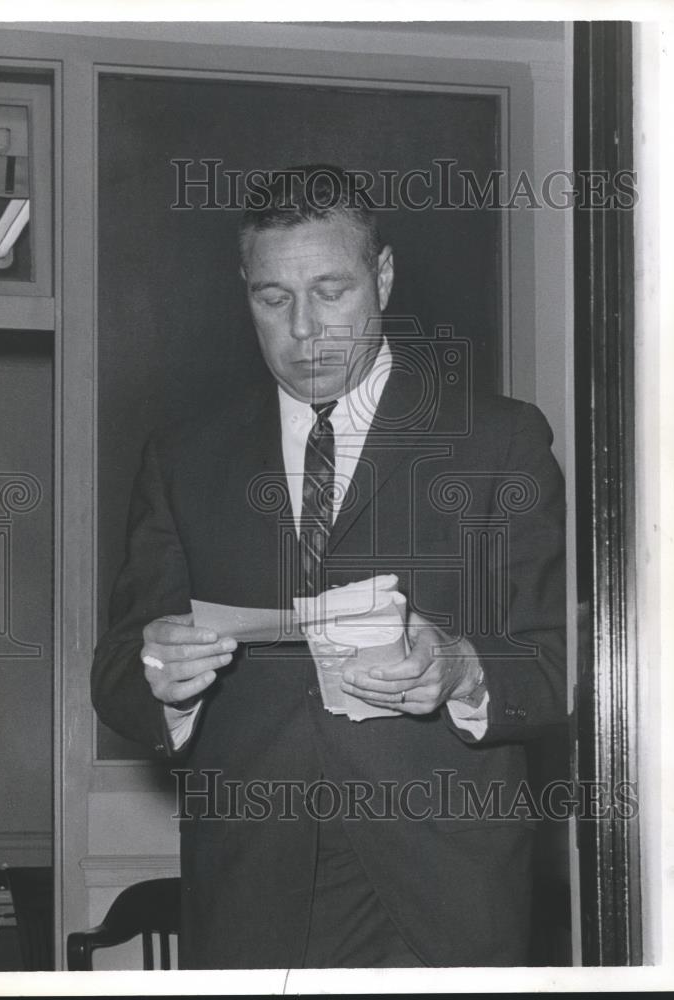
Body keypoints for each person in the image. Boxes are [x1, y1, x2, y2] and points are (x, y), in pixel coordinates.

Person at [92, 165, 567, 969]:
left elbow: (559, 664)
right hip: (249, 892)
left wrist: (460, 668)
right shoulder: (183, 457)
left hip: (446, 889)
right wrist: (159, 676)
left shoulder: (499, 441)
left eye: (331, 291)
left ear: (381, 277)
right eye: (272, 299)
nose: (304, 329)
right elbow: (116, 670)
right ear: (243, 290)